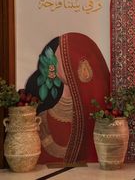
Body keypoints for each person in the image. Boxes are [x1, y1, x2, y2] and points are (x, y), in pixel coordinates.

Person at [26, 32, 110, 164]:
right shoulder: (42, 117)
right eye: (57, 57)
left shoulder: (92, 113)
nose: (57, 62)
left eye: (67, 56)